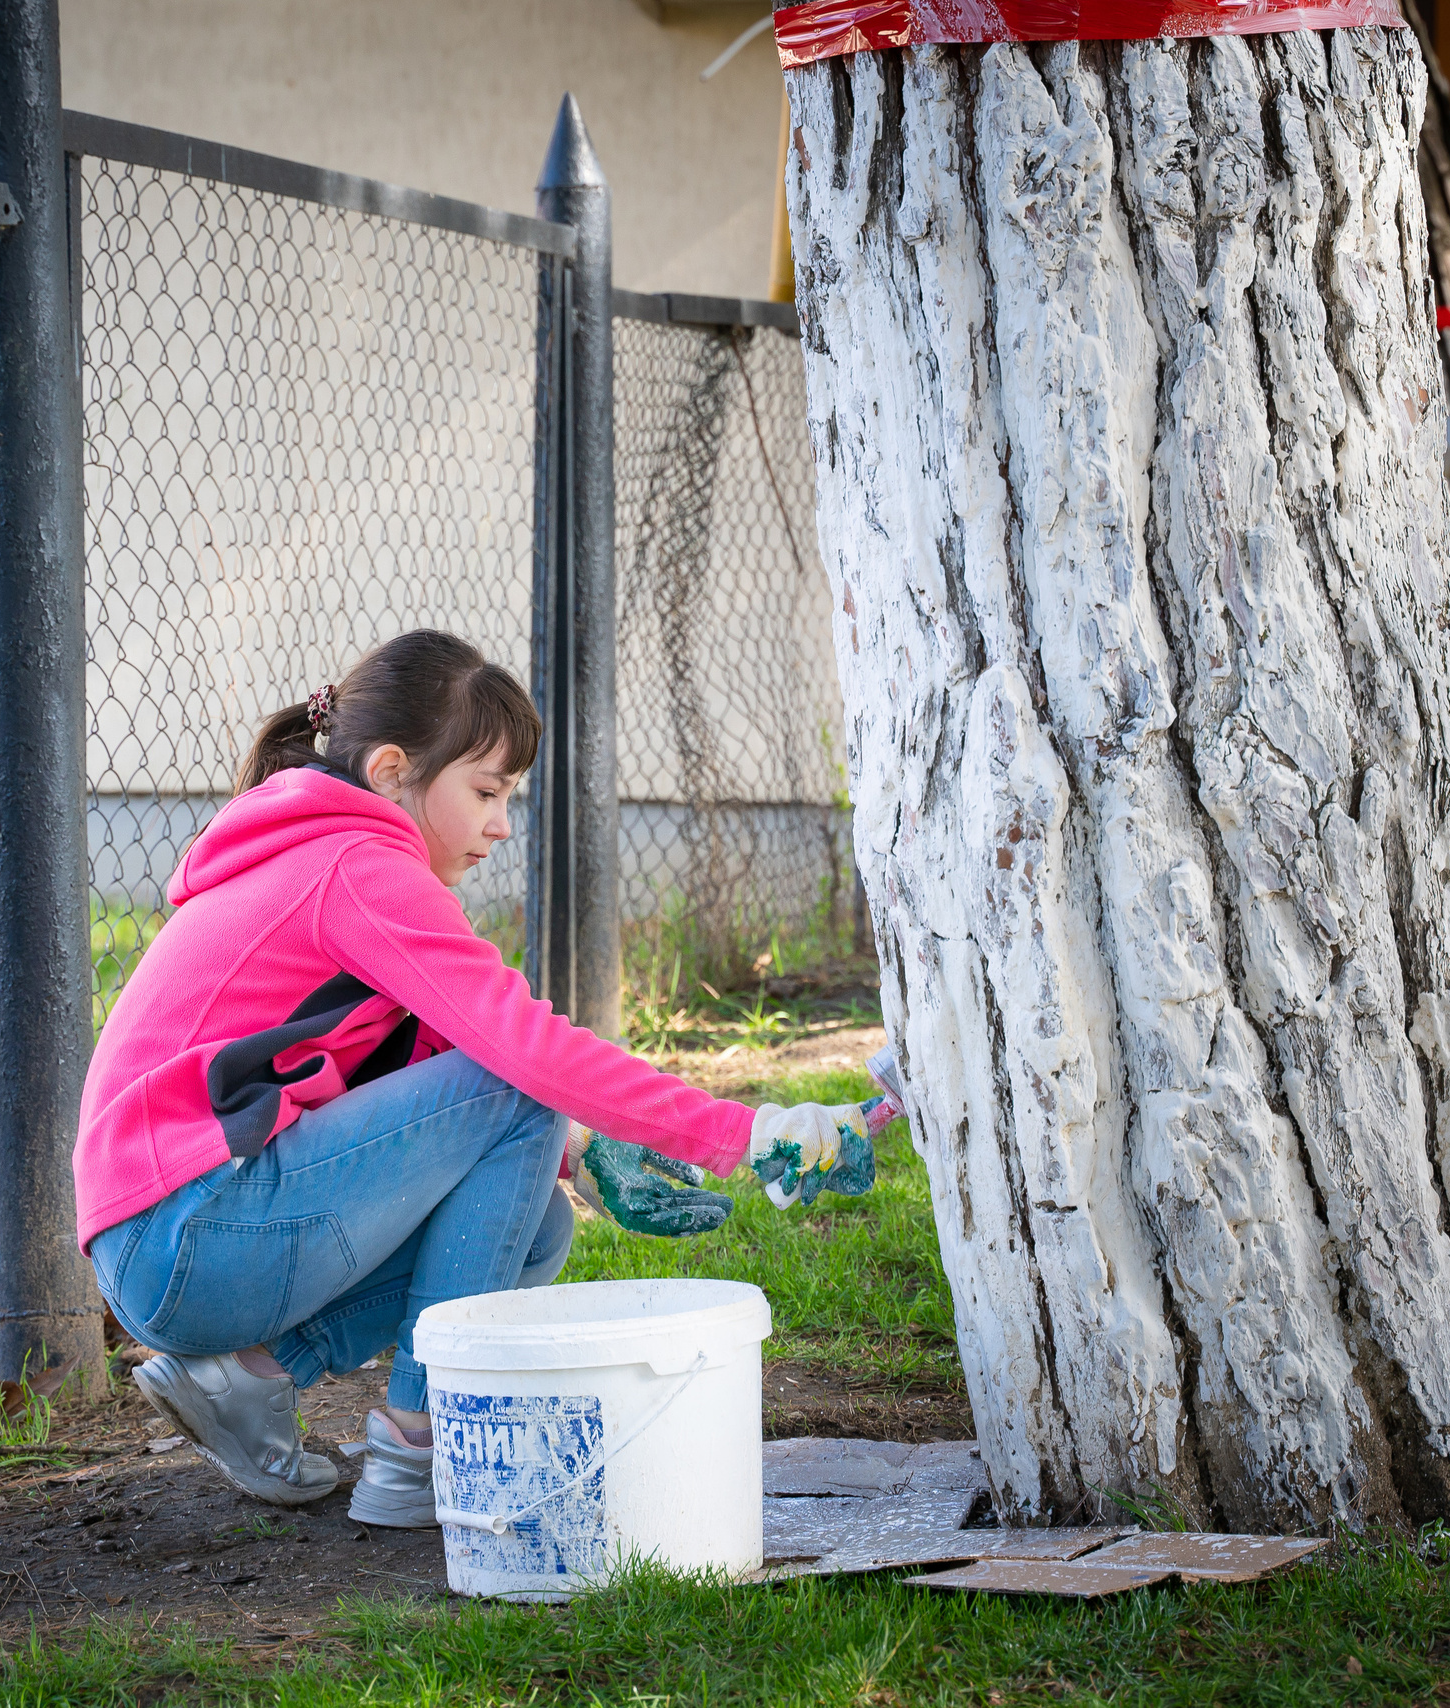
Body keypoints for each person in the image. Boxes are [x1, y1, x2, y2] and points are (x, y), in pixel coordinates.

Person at [75, 629, 876, 1524]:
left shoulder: (324, 853)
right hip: (190, 1232)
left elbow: (432, 1083)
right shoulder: (360, 869)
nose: (501, 822)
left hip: (172, 1242)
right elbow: (518, 1054)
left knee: (531, 1231)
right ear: (390, 770)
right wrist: (742, 1131)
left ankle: (252, 1376)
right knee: (518, 1082)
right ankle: (420, 1448)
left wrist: (578, 1153)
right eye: (486, 791)